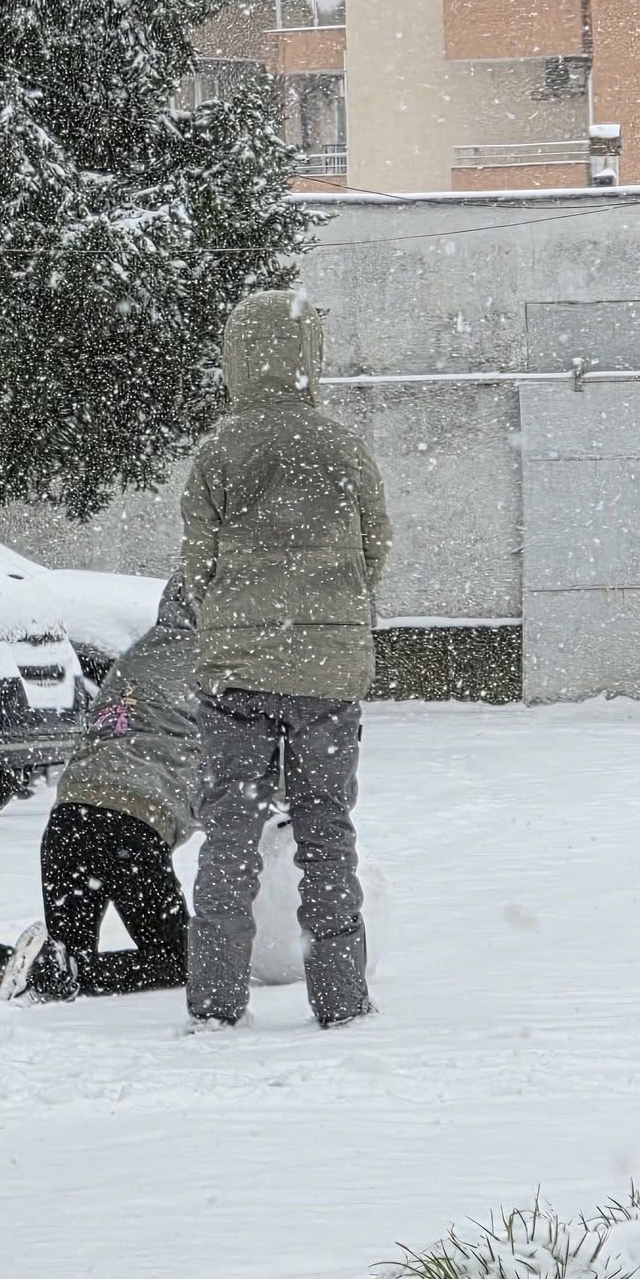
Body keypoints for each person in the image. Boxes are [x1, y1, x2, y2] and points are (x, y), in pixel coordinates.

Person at [179, 289, 390, 1030]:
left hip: (237, 673)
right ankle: (339, 998)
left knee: (228, 839)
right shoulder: (343, 446)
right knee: (327, 833)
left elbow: (196, 565)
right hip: (327, 674)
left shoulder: (219, 451)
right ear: (308, 356)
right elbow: (375, 551)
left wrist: (239, 612)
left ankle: (214, 1003)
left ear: (238, 356)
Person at [0, 582, 202, 1004]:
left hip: (70, 820)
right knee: (185, 961)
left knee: (62, 960)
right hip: (132, 826)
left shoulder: (143, 655)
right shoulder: (225, 665)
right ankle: (47, 968)